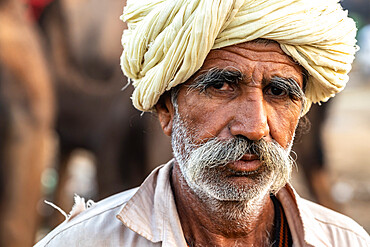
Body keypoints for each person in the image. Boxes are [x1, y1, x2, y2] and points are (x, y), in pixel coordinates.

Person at [35, 0, 370, 246]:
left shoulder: (347, 241)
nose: (255, 127)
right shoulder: (80, 243)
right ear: (166, 109)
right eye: (222, 86)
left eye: (279, 91)